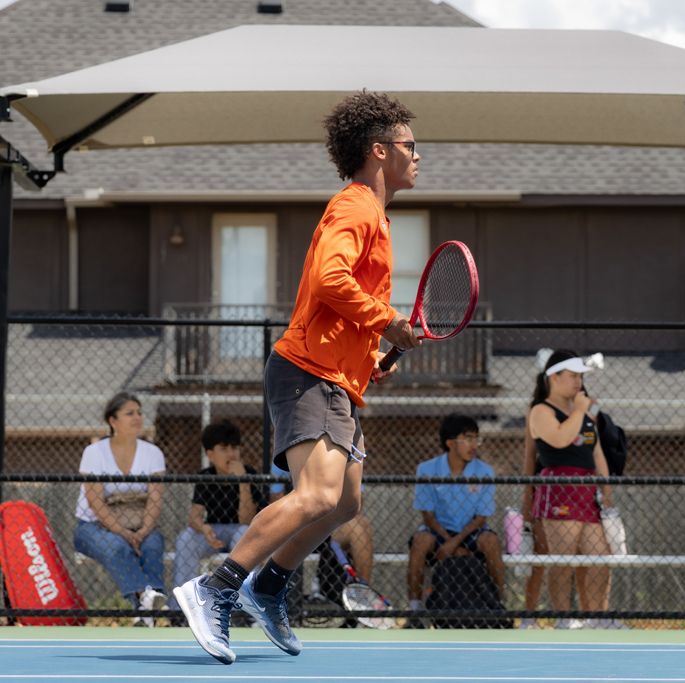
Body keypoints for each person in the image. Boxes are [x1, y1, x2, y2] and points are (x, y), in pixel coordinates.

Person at [174, 90, 421, 665]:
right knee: (316, 495)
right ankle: (217, 587)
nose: (419, 155)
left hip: (333, 377)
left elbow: (339, 306)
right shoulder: (357, 206)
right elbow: (330, 278)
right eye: (411, 145)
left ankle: (268, 586)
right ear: (379, 150)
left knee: (345, 503)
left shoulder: (373, 216)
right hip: (308, 373)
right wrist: (387, 321)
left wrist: (372, 358)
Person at [530, 349, 625, 630]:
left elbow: (597, 453)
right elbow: (559, 438)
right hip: (559, 487)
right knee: (563, 559)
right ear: (554, 378)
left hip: (589, 491)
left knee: (600, 557)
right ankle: (562, 618)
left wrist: (605, 491)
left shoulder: (582, 411)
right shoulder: (540, 410)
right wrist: (581, 411)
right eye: (572, 376)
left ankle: (599, 618)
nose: (578, 383)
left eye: (580, 377)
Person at [73, 392, 167, 627]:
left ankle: (144, 613)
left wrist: (143, 531)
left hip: (140, 527)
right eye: (129, 413)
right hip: (92, 528)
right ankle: (147, 597)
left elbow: (155, 501)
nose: (137, 417)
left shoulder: (153, 453)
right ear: (113, 421)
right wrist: (125, 535)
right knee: (116, 547)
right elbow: (96, 504)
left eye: (139, 412)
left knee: (153, 543)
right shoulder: (94, 453)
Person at [405, 414, 502, 629]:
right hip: (439, 532)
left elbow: (481, 519)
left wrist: (454, 543)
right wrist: (448, 542)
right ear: (450, 443)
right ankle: (414, 610)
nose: (474, 445)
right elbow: (428, 517)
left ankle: (498, 607)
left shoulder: (485, 471)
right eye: (468, 439)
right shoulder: (427, 469)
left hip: (470, 533)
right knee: (420, 541)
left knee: (491, 541)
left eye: (477, 439)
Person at [168, 420, 266, 612]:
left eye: (235, 448)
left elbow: (246, 521)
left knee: (244, 532)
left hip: (241, 534)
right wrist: (203, 528)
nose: (231, 454)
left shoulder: (250, 474)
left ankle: (240, 610)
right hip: (213, 531)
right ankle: (180, 611)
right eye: (224, 448)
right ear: (210, 455)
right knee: (186, 537)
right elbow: (194, 517)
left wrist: (243, 481)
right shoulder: (206, 475)